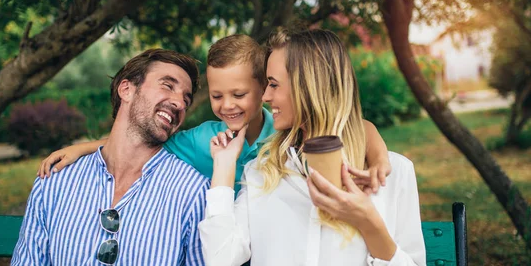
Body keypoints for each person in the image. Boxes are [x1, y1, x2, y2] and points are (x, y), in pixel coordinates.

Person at [199, 29, 430, 266]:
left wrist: (368, 223)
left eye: (273, 84)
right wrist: (223, 167)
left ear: (308, 86)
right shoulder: (262, 171)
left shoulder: (390, 175)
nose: (266, 96)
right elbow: (220, 257)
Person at [4, 49, 241, 266]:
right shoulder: (55, 181)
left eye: (186, 99)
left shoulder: (192, 190)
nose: (179, 103)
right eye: (168, 85)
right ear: (126, 89)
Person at [38, 35, 392, 194]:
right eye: (217, 95)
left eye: (239, 94)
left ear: (263, 87)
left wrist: (377, 156)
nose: (227, 106)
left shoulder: (283, 131)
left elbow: (356, 125)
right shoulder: (201, 139)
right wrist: (88, 147)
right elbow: (144, 145)